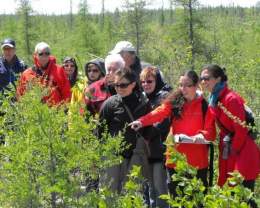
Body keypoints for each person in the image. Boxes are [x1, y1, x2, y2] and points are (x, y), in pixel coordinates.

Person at [129, 70, 216, 198]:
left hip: (197, 163)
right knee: (176, 200)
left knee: (197, 202)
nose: (183, 89)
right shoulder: (175, 102)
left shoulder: (205, 106)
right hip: (175, 161)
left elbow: (211, 133)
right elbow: (159, 112)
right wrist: (141, 122)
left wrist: (197, 138)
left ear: (197, 85)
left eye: (187, 85)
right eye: (180, 85)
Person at [200, 64, 260, 207]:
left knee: (244, 196)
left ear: (218, 79)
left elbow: (241, 130)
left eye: (206, 78)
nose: (203, 82)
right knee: (231, 195)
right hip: (231, 148)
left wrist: (232, 152)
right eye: (202, 79)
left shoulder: (230, 99)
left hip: (243, 151)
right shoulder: (215, 98)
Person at [99, 69, 157, 194]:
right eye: (116, 85)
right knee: (108, 194)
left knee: (131, 196)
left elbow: (149, 130)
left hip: (135, 156)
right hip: (112, 156)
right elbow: (100, 131)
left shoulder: (144, 104)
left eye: (123, 85)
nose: (119, 88)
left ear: (133, 84)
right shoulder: (109, 104)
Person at [140, 66, 171, 208]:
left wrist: (143, 133)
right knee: (151, 191)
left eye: (149, 81)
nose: (146, 84)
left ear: (157, 81)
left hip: (160, 152)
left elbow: (161, 125)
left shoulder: (164, 97)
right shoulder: (146, 98)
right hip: (148, 152)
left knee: (160, 192)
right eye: (143, 81)